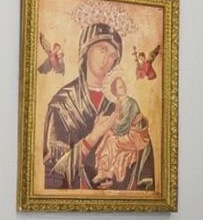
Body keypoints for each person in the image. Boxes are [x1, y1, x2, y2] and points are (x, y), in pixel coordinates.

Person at [41, 18, 154, 191]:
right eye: (102, 50)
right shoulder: (62, 104)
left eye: (112, 55)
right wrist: (92, 138)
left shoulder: (124, 104)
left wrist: (118, 181)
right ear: (86, 50)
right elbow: (53, 174)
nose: (107, 59)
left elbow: (144, 162)